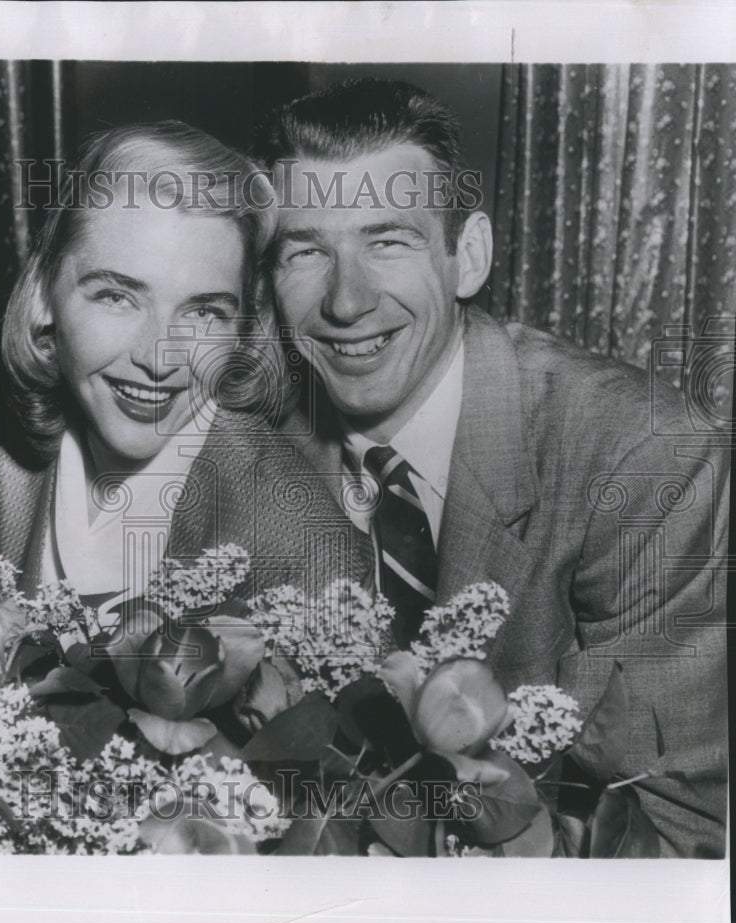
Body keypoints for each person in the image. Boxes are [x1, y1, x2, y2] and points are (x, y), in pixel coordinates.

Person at [257, 79, 728, 857]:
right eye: (305, 251)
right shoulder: (259, 450)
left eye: (389, 240)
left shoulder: (641, 460)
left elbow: (683, 839)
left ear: (466, 256)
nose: (345, 301)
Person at [0, 121, 368, 617]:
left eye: (203, 312)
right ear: (45, 296)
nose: (158, 359)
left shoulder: (303, 538)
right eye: (117, 297)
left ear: (241, 328)